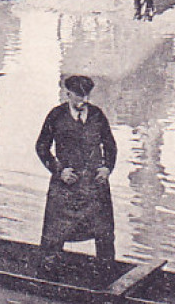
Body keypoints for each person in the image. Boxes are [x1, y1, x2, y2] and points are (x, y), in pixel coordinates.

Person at [35, 74, 118, 274]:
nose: (84, 100)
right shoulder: (55, 116)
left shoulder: (97, 115)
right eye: (79, 96)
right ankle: (47, 274)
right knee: (55, 233)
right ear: (68, 94)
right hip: (65, 184)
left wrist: (107, 168)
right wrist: (59, 171)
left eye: (86, 95)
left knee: (104, 233)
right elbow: (42, 147)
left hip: (94, 185)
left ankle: (107, 274)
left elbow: (110, 146)